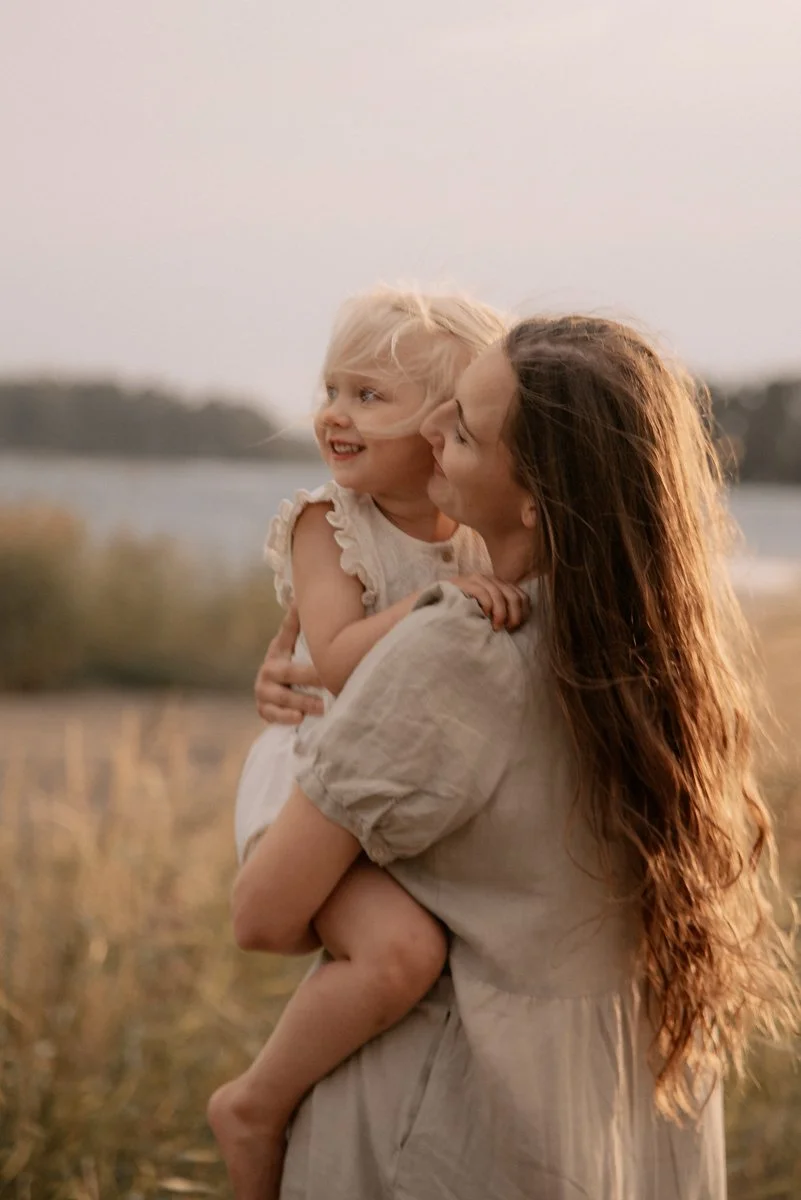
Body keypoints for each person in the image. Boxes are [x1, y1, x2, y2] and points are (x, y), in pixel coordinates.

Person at [233, 314, 799, 1199]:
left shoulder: (458, 650)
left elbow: (262, 914)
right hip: (633, 1105)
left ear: (534, 494)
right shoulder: (668, 659)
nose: (428, 435)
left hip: (463, 1122)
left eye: (459, 428)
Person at [208, 287, 524, 1198]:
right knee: (399, 955)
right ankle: (256, 1102)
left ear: (440, 426)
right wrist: (439, 604)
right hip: (310, 783)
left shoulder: (468, 534)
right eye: (332, 389)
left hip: (396, 795)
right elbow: (341, 659)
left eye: (368, 396)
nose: (334, 414)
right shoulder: (325, 521)